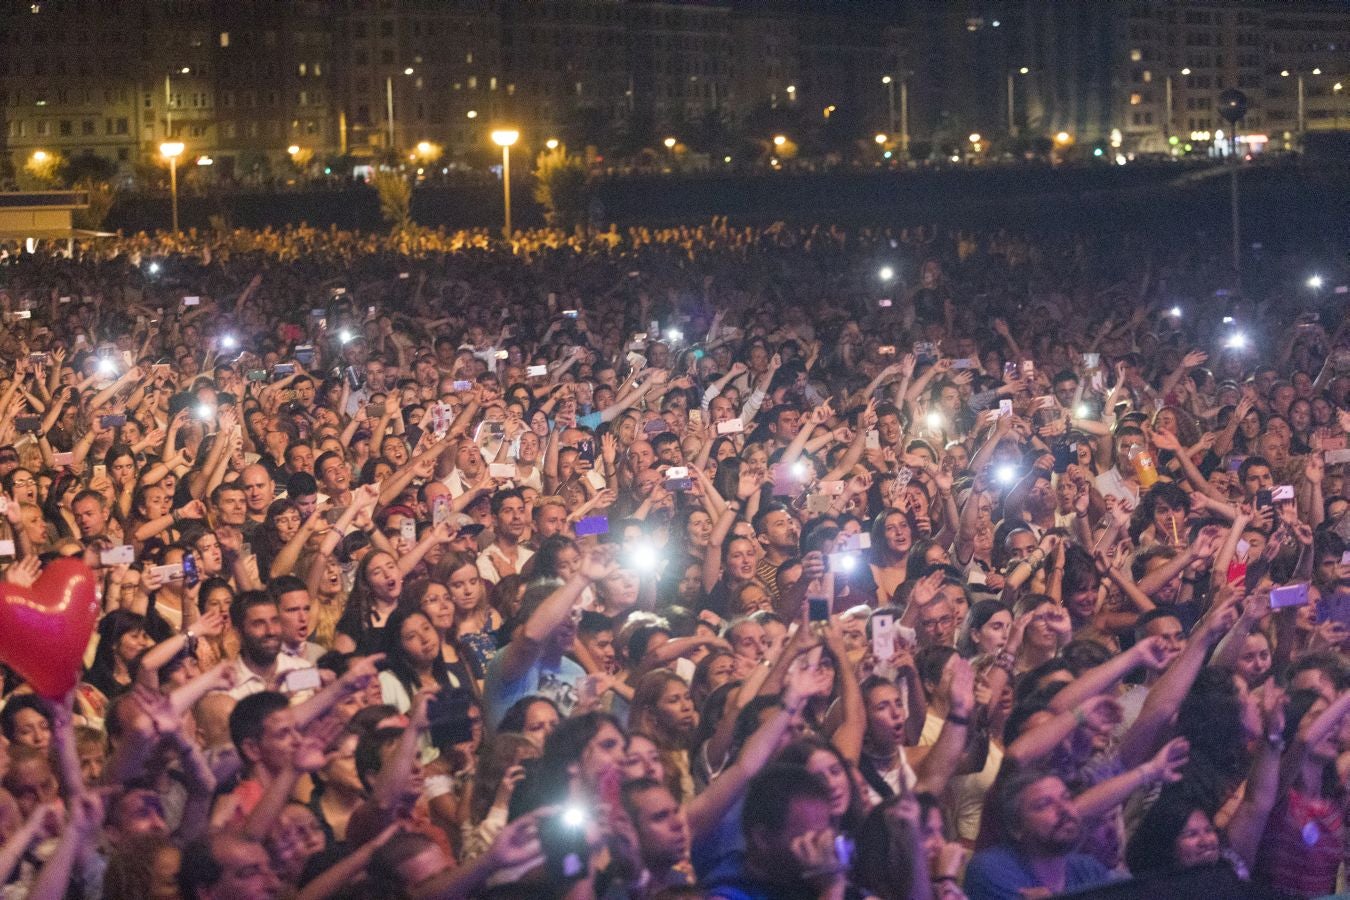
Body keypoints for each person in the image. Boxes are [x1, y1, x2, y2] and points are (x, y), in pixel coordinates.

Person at [963, 772, 1112, 899]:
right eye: (1044, 804)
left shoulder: (1089, 869)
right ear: (1016, 828)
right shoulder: (991, 870)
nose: (1063, 809)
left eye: (1066, 798)